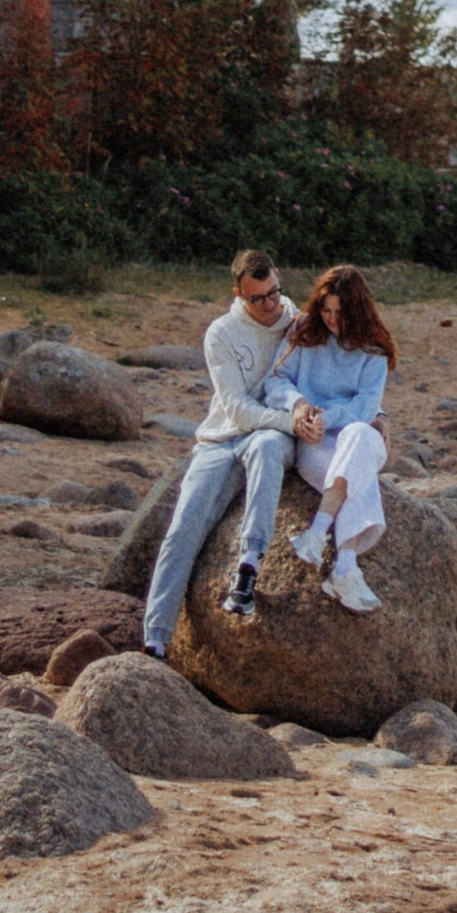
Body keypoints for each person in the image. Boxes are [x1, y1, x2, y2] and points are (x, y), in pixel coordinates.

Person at [140, 247, 297, 656]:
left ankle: (249, 565)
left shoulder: (296, 321)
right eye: (257, 298)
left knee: (266, 447)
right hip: (222, 438)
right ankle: (155, 638)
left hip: (267, 438)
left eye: (274, 292)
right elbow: (236, 407)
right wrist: (289, 423)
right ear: (238, 294)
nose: (269, 305)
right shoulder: (221, 332)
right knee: (183, 528)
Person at [264, 260, 395, 614]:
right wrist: (300, 406)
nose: (332, 320)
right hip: (315, 444)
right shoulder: (305, 330)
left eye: (340, 312)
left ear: (358, 310)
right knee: (360, 480)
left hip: (352, 440)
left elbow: (367, 407)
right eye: (326, 310)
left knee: (362, 434)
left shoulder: (374, 351)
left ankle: (318, 530)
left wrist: (328, 416)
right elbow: (276, 380)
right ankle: (345, 566)